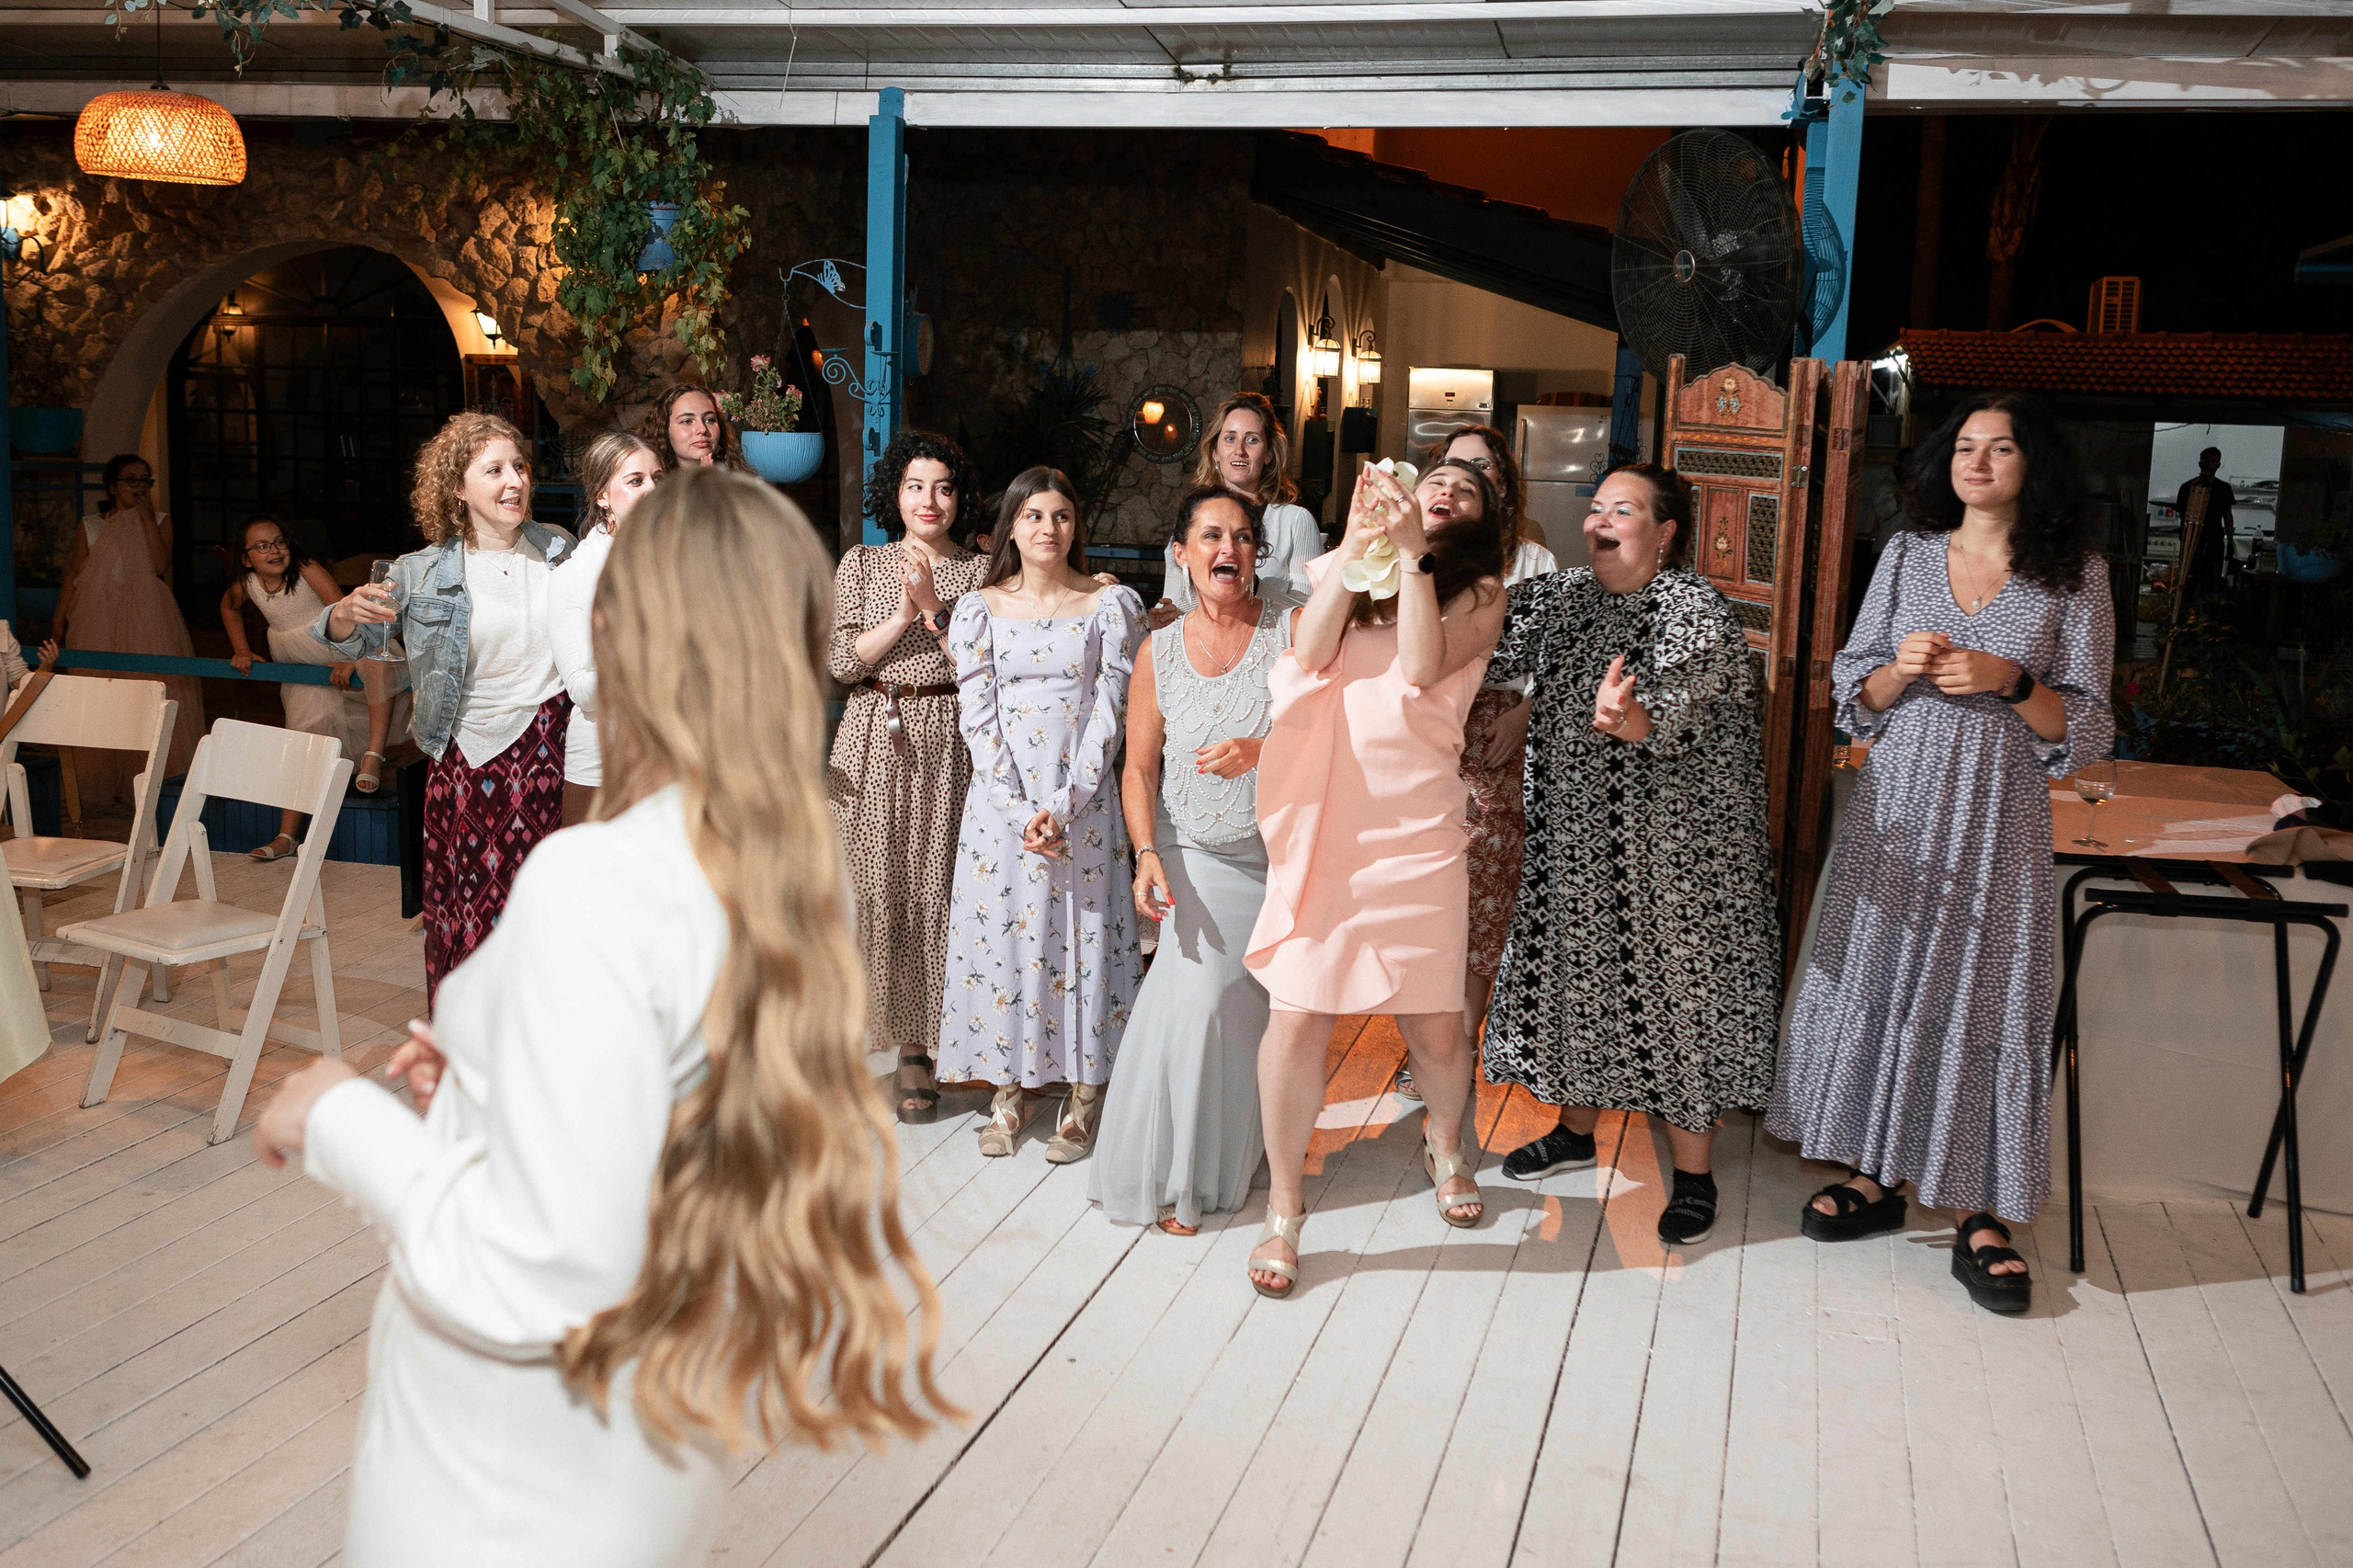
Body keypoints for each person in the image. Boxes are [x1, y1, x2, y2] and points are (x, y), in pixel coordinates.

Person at [248, 465, 952, 1567]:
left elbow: (541, 1270)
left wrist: (340, 1117)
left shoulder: (596, 881)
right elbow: (652, 1133)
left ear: (620, 630)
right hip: (650, 1445)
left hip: (503, 1480)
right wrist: (487, 1077)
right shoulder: (789, 862)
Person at [1770, 392, 2115, 1315]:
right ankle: (1877, 1172)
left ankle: (1978, 1211)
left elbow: (2087, 726)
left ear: (2032, 464)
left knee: (1981, 992)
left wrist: (2011, 680)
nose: (1977, 461)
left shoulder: (2073, 575)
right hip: (1897, 805)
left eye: (2000, 447)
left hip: (1999, 816)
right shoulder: (1907, 555)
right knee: (1879, 977)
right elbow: (1854, 688)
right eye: (1964, 445)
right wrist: (1899, 669)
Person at [1480, 466, 1781, 1246]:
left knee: (1674, 998)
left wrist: (1628, 717)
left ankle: (1694, 1175)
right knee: (1580, 976)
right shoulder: (1565, 596)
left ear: (1665, 530)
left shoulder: (1695, 610)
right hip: (1576, 841)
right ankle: (1576, 1130)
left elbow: (1667, 718)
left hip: (1678, 860)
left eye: (1624, 509)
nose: (1599, 521)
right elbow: (1482, 641)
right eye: (1596, 508)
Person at [1243, 458, 1508, 1297]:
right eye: (1435, 479)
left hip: (1416, 824)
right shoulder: (1339, 567)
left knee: (1433, 1025)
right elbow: (1310, 648)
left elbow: (1423, 668)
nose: (1446, 492)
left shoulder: (1479, 591)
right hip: (1326, 814)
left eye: (1467, 490)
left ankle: (1446, 1141)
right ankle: (1285, 1208)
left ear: (1480, 517)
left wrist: (1413, 556)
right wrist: (1362, 546)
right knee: (1297, 1016)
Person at [318, 412, 576, 1005]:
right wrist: (345, 612)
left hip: (555, 753)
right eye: (493, 470)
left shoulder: (558, 548)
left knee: (551, 913)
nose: (513, 481)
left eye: (519, 466)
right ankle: (470, 1052)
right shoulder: (423, 572)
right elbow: (344, 639)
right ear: (457, 488)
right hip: (473, 766)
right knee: (477, 913)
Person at [1092, 486, 1287, 1234]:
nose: (1227, 550)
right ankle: (1183, 1179)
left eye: (1241, 537)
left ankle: (1228, 1153)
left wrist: (1262, 751)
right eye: (1210, 536)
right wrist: (1145, 854)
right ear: (1181, 553)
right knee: (1203, 1001)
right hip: (1192, 853)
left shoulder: (1290, 633)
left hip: (1279, 858)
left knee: (1245, 1014)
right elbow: (1138, 770)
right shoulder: (1158, 650)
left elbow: (1330, 734)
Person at [937, 467, 1146, 1163]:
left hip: (1080, 810)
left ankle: (1084, 1096)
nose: (1048, 529)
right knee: (1007, 945)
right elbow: (977, 715)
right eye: (1032, 516)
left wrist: (1063, 804)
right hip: (1001, 813)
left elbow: (1111, 714)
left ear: (1075, 525)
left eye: (1060, 516)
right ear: (1010, 528)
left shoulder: (1109, 606)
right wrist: (1016, 806)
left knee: (1080, 945)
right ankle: (1007, 1091)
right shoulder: (977, 609)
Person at [827, 429, 989, 1123]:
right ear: (894, 493)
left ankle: (918, 1049)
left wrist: (932, 610)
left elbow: (984, 670)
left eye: (944, 488)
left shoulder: (983, 573)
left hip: (948, 741)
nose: (930, 500)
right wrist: (900, 615)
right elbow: (840, 663)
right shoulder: (863, 562)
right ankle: (843, 1038)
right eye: (916, 486)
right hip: (870, 738)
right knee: (865, 890)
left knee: (934, 888)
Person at [1404, 425, 1552, 1096]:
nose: (1466, 479)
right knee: (1421, 901)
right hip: (1423, 734)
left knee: (1480, 902)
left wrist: (1523, 715)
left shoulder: (1531, 562)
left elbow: (1555, 655)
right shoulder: (1406, 554)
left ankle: (1458, 1046)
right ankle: (1429, 1048)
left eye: (1482, 470)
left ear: (1502, 484)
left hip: (1494, 731)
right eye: (1452, 468)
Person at [221, 518, 414, 858]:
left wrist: (350, 658)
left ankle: (374, 754)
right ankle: (287, 836)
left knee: (376, 659)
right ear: (247, 559)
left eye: (279, 542)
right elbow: (228, 607)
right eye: (262, 546)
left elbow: (347, 611)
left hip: (340, 645)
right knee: (302, 738)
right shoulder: (247, 584)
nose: (274, 550)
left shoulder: (305, 568)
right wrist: (240, 648)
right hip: (305, 665)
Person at [55, 452, 205, 791]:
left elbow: (159, 566)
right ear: (112, 486)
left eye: (145, 481)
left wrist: (147, 518)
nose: (139, 486)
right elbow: (74, 574)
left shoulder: (161, 519)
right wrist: (58, 622)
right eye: (131, 480)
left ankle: (156, 782)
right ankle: (105, 781)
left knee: (149, 687)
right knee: (101, 690)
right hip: (98, 614)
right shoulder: (91, 524)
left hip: (148, 614)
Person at [550, 431, 664, 827]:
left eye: (657, 478)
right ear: (602, 496)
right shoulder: (576, 576)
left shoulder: (679, 561)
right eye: (636, 481)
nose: (652, 488)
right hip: (607, 764)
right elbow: (582, 690)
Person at [1150, 392, 1323, 630]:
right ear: (1215, 452)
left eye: (1252, 440)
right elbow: (1176, 603)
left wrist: (1256, 586)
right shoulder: (1192, 521)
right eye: (1230, 438)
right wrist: (1165, 617)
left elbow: (1313, 612)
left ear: (1269, 453)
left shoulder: (1295, 521)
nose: (1239, 450)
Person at [637, 383, 749, 473]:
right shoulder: (652, 487)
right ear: (664, 429)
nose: (702, 429)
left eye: (709, 420)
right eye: (687, 421)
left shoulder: (738, 482)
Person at [2174, 445, 2236, 601]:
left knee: (2211, 584)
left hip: (2214, 542)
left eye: (2213, 461)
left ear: (2218, 465)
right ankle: (2184, 617)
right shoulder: (2188, 487)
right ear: (2200, 463)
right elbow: (2184, 516)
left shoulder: (2224, 488)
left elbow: (2228, 516)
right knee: (2187, 584)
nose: (2209, 464)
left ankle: (2207, 619)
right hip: (2192, 542)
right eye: (2206, 461)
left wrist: (2230, 541)